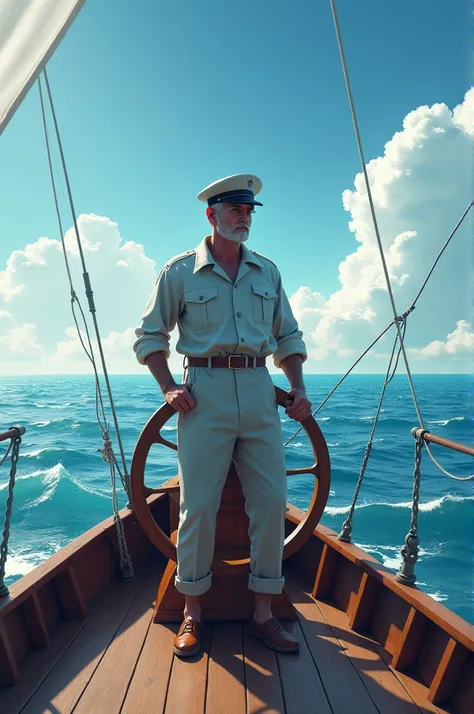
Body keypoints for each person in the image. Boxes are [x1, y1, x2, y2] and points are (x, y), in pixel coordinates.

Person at [133, 173, 312, 657]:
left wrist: (296, 388)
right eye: (235, 210)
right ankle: (192, 614)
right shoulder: (179, 272)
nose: (244, 217)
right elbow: (150, 337)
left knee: (272, 503)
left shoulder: (268, 272)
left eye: (250, 210)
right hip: (203, 392)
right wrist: (168, 386)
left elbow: (288, 337)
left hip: (259, 390)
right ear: (211, 215)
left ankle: (264, 615)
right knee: (197, 508)